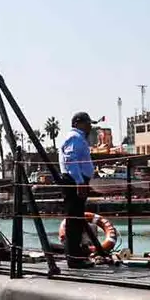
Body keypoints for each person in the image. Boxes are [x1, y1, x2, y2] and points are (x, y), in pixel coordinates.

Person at [58, 111, 97, 268]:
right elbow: (70, 160)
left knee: (77, 219)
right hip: (74, 181)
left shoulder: (79, 138)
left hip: (77, 180)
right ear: (77, 123)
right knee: (73, 220)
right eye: (87, 123)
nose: (89, 126)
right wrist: (80, 182)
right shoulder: (75, 137)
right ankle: (74, 259)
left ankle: (77, 255)